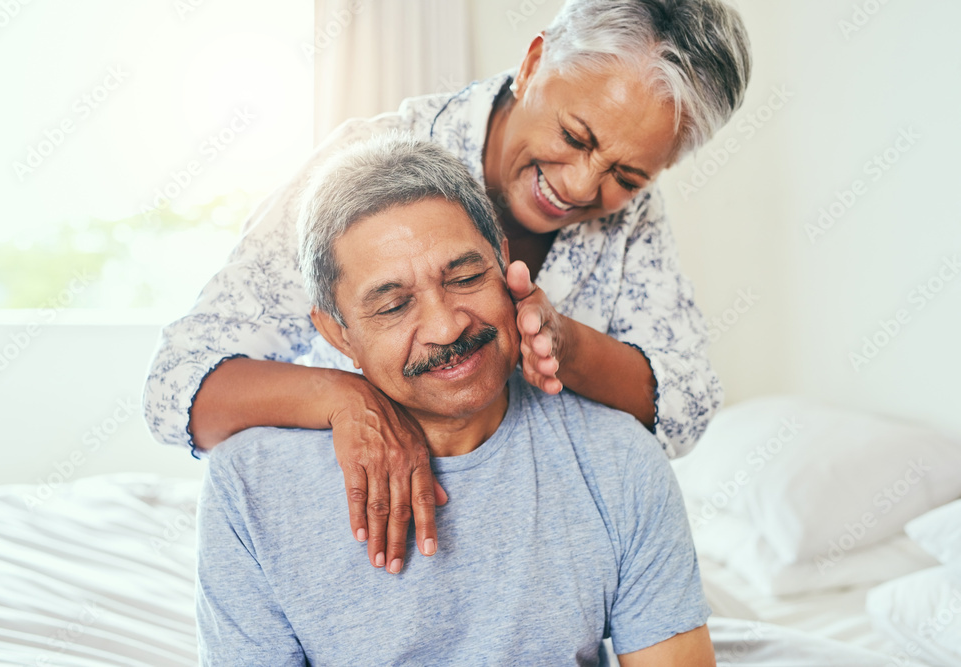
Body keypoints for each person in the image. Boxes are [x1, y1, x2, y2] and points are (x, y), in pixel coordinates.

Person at [146, 0, 752, 573]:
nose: (581, 186)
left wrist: (566, 347)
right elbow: (177, 385)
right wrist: (348, 400)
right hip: (368, 553)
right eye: (574, 136)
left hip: (541, 561)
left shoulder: (633, 221)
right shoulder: (359, 171)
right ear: (534, 63)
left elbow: (685, 407)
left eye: (627, 174)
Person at [196, 135, 714, 666]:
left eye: (466, 278)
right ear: (337, 334)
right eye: (394, 305)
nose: (446, 326)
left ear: (505, 263)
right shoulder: (250, 486)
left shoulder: (619, 460)